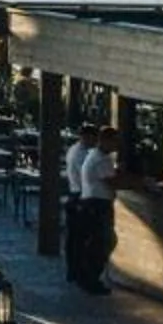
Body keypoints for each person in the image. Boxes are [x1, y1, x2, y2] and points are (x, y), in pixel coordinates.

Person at [67, 123, 118, 293]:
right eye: (113, 142)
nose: (115, 146)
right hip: (96, 204)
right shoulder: (99, 158)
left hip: (91, 201)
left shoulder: (94, 155)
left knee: (94, 242)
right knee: (101, 242)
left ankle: (85, 276)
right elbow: (111, 181)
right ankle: (90, 280)